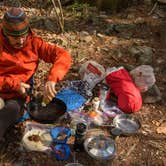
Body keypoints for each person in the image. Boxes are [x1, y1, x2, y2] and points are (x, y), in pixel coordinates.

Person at [0, 7, 71, 141]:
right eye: (15, 37)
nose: (21, 41)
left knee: (4, 117)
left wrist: (52, 79)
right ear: (5, 33)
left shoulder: (34, 43)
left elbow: (63, 55)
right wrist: (14, 84)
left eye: (23, 36)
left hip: (17, 97)